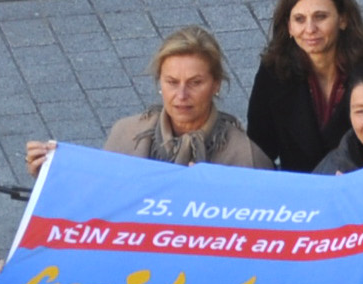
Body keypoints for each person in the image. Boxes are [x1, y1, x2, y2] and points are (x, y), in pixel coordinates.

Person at [26, 27, 273, 175]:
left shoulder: (245, 157)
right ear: (159, 84)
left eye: (195, 83)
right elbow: (97, 202)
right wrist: (51, 176)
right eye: (172, 82)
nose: (182, 95)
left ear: (216, 84)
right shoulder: (126, 134)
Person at [247, 0, 363, 173]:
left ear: (343, 19)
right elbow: (259, 148)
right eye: (300, 19)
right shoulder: (274, 72)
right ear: (289, 27)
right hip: (299, 194)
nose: (310, 29)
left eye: (320, 17)